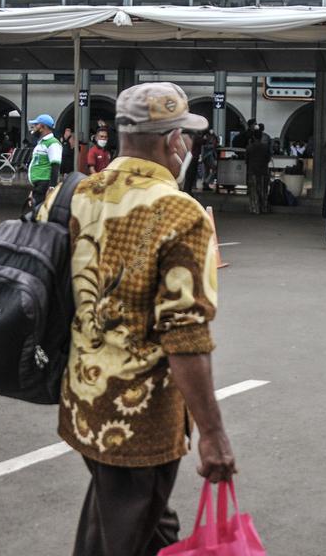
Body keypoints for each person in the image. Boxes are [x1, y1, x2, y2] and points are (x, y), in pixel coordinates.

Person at [61, 82, 235, 556]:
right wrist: (214, 435)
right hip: (137, 421)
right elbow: (185, 334)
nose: (189, 146)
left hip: (82, 403)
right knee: (120, 535)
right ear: (171, 141)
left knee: (143, 521)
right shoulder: (178, 211)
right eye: (187, 136)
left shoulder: (79, 191)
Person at [27, 114, 64, 208]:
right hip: (39, 185)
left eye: (36, 125)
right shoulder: (41, 143)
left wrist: (51, 187)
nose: (34, 128)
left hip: (45, 184)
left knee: (40, 214)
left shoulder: (53, 143)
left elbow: (55, 166)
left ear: (43, 127)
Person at [245, 124, 271, 215]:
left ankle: (255, 209)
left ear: (253, 137)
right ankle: (264, 207)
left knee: (254, 191)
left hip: (252, 171)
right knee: (263, 190)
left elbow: (246, 160)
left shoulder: (249, 147)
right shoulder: (266, 147)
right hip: (263, 171)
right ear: (261, 137)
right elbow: (268, 158)